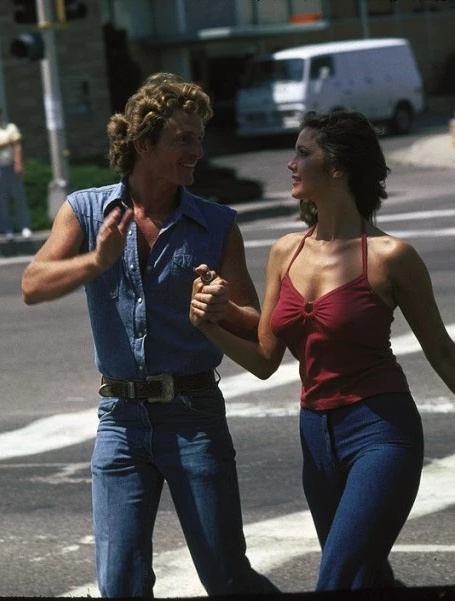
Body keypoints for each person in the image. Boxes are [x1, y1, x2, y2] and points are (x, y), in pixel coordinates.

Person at [21, 73, 277, 598]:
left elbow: (256, 324)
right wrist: (96, 261)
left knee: (226, 577)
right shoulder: (86, 210)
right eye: (183, 139)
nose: (197, 151)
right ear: (143, 143)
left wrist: (221, 306)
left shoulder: (216, 225)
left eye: (199, 138)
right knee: (120, 584)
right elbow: (32, 284)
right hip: (119, 420)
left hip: (193, 416)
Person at [189, 109, 455, 591]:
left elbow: (442, 352)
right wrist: (208, 322)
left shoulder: (391, 257)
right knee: (367, 579)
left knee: (337, 580)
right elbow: (264, 360)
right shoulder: (285, 252)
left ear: (338, 168)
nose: (291, 164)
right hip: (315, 437)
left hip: (381, 432)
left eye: (303, 153)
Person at [0, 103, 32, 241]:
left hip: (12, 165)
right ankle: (7, 229)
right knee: (2, 200)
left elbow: (17, 146)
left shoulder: (10, 127)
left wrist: (18, 164)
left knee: (19, 197)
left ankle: (24, 226)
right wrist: (6, 143)